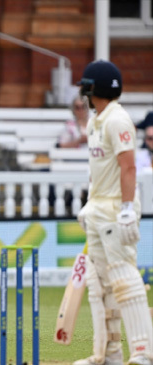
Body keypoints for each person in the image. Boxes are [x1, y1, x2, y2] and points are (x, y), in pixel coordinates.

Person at [74, 60, 152, 365]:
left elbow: (128, 166)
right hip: (98, 208)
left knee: (123, 278)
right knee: (99, 283)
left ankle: (143, 352)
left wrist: (128, 209)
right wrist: (90, 204)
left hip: (116, 209)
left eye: (87, 86)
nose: (84, 92)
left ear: (97, 88)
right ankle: (108, 354)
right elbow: (99, 169)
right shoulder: (97, 121)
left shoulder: (118, 120)